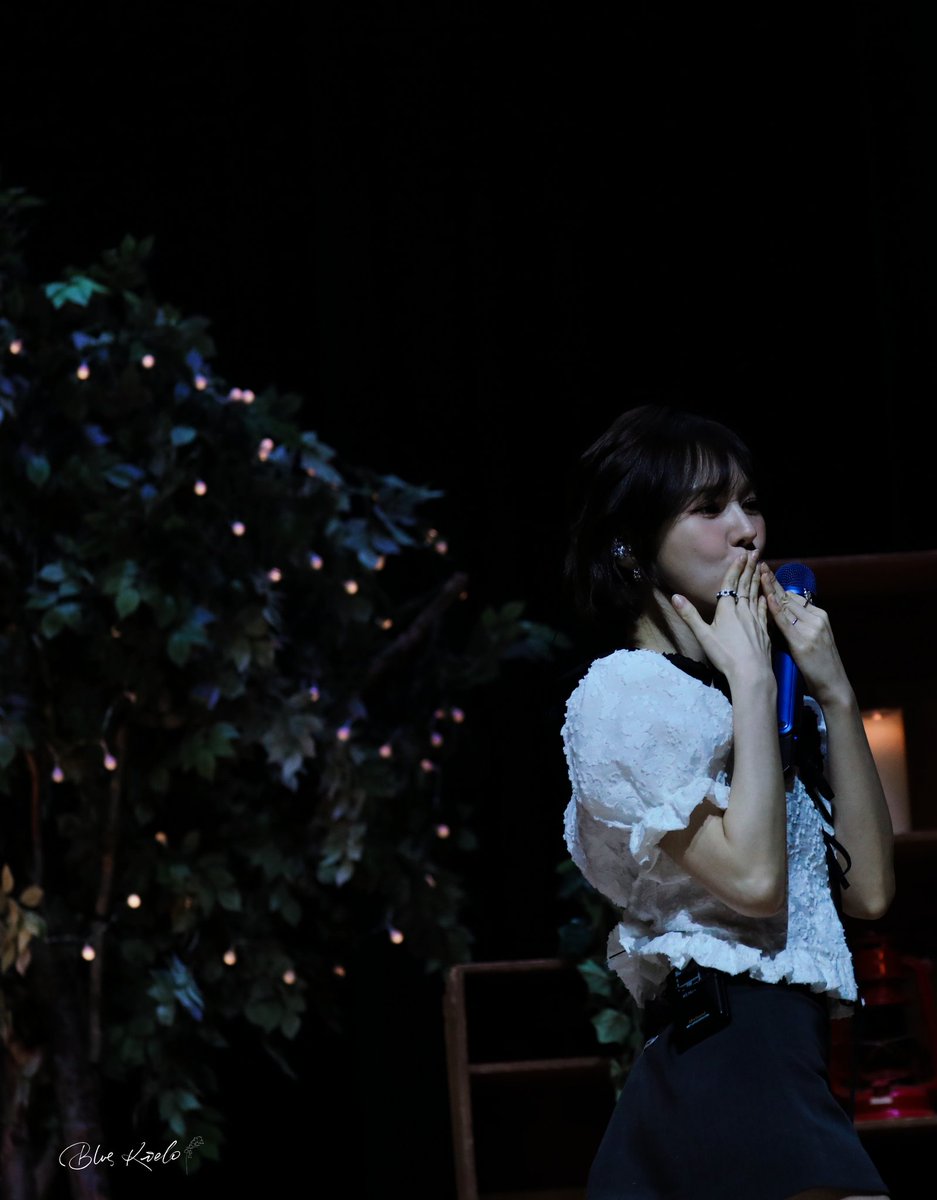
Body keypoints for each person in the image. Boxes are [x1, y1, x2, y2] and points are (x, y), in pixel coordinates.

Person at [560, 405, 895, 1200]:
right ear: (632, 543)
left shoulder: (765, 706)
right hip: (727, 1050)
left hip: (784, 1054)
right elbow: (752, 882)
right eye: (708, 509)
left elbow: (871, 892)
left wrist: (834, 692)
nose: (745, 530)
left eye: (749, 503)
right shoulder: (627, 694)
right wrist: (750, 680)